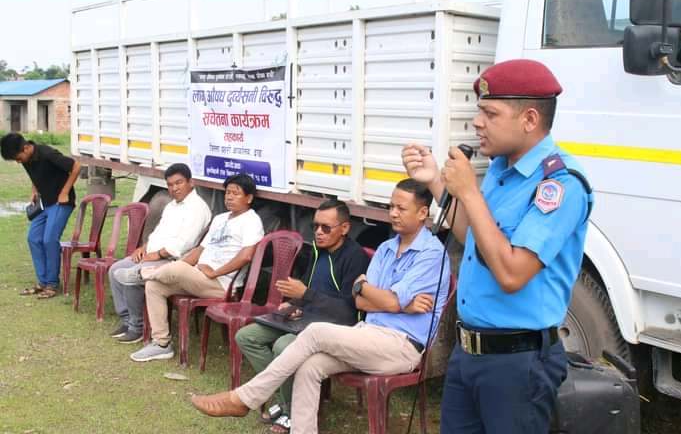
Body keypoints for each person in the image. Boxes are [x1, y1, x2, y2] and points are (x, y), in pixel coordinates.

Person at [401, 59, 593, 434]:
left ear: (529, 119)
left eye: (490, 113)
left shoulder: (560, 185)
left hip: (518, 364)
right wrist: (438, 185)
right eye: (479, 112)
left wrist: (469, 191)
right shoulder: (501, 171)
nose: (477, 122)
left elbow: (511, 272)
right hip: (470, 352)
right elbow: (470, 235)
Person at [190, 179, 450, 434]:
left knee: (314, 333)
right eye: (391, 206)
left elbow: (379, 298)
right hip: (367, 334)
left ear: (423, 212)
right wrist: (393, 302)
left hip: (401, 346)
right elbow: (361, 300)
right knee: (309, 366)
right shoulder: (385, 248)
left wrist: (371, 291)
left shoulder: (431, 253)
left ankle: (245, 398)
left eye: (401, 208)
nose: (393, 213)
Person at [236, 199, 370, 433]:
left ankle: (289, 413)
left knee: (282, 346)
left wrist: (305, 295)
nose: (318, 232)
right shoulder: (319, 251)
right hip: (304, 317)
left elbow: (350, 312)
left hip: (332, 326)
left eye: (326, 228)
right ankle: (284, 397)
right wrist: (293, 303)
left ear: (345, 228)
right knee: (246, 336)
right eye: (315, 226)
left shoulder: (355, 257)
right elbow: (306, 289)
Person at [130, 173, 264, 362]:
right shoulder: (220, 219)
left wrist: (215, 271)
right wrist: (182, 267)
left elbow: (246, 256)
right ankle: (161, 344)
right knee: (155, 286)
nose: (230, 197)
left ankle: (142, 274)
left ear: (249, 198)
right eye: (227, 193)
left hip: (220, 284)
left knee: (176, 269)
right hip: (198, 277)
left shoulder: (251, 221)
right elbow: (199, 250)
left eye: (236, 193)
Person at [108, 163, 211, 344]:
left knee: (133, 275)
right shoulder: (172, 206)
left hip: (174, 261)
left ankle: (137, 327)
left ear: (191, 182)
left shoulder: (197, 208)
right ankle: (127, 319)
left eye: (179, 183)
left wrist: (156, 255)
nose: (174, 188)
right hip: (153, 254)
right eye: (170, 185)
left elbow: (184, 243)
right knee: (115, 269)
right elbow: (158, 233)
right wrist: (144, 247)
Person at [1, 133, 81, 299]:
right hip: (44, 203)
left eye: (18, 158)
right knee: (33, 238)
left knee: (49, 239)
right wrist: (34, 191)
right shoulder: (27, 158)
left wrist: (65, 192)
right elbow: (35, 175)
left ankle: (52, 284)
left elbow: (76, 166)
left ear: (26, 148)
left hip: (61, 203)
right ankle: (42, 282)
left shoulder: (47, 154)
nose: (18, 161)